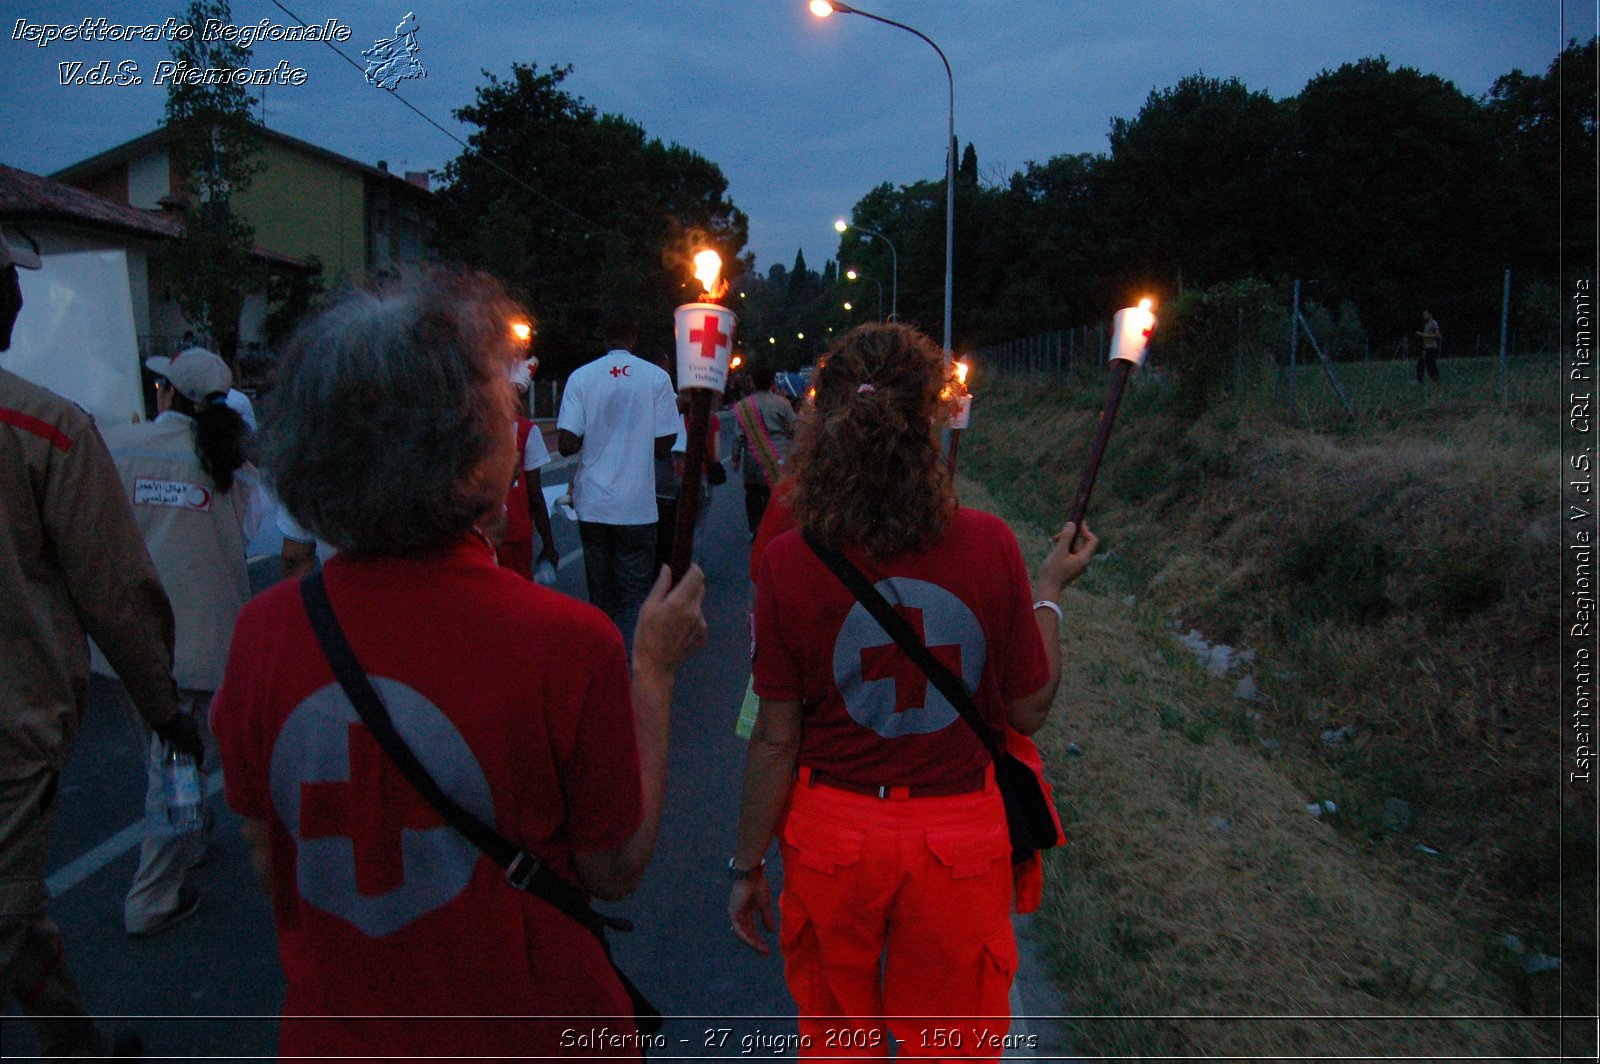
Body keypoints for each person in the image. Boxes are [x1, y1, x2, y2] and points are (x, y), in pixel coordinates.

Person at [211, 271, 707, 1059]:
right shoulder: (564, 642)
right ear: (468, 453)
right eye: (500, 403)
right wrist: (653, 669)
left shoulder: (262, 635)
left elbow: (269, 853)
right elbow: (615, 867)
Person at [726, 322, 1096, 1060]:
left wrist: (744, 866)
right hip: (957, 843)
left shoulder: (790, 561)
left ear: (825, 421)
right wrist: (1049, 591)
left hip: (834, 839)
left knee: (837, 1044)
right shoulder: (988, 543)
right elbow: (1027, 708)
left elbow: (776, 735)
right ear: (935, 417)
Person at [0, 228, 200, 1056]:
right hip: (14, 727)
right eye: (9, 281)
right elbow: (116, 596)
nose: (18, 300)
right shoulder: (45, 429)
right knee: (10, 912)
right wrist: (162, 709)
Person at [101, 346, 263, 937]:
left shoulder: (117, 444)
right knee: (178, 766)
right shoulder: (231, 462)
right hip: (200, 641)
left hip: (129, 636)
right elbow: (250, 532)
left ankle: (184, 845)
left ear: (166, 393)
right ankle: (153, 895)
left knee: (165, 759)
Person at [557, 304, 679, 638]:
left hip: (593, 504)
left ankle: (603, 666)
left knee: (600, 595)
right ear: (634, 337)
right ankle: (632, 670)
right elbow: (666, 441)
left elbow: (566, 442)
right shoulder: (656, 378)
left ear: (602, 338)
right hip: (638, 505)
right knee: (635, 596)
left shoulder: (581, 378)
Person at [499, 350, 559, 580]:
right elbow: (535, 496)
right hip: (515, 534)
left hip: (480, 536)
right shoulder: (526, 431)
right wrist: (549, 544)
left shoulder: (474, 428)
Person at [730, 363, 796, 537]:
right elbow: (795, 429)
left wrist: (735, 458)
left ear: (752, 382)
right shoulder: (783, 403)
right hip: (778, 459)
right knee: (773, 495)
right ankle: (772, 529)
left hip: (753, 461)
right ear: (773, 382)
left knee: (752, 494)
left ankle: (755, 528)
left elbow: (738, 436)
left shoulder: (744, 406)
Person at [1415, 310, 1442, 384]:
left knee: (1422, 362)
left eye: (1425, 315)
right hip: (1426, 346)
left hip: (1431, 347)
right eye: (1423, 315)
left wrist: (1423, 335)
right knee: (1431, 363)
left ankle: (1420, 379)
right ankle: (1435, 379)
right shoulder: (1426, 324)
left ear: (1430, 315)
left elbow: (1438, 335)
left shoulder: (1434, 323)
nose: (1424, 317)